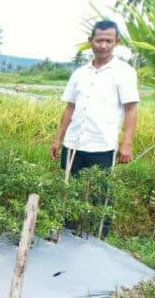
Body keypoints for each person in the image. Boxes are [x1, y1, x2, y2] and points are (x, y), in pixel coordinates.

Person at [50, 19, 139, 237]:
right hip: (73, 144)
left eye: (108, 41)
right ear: (91, 41)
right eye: (99, 40)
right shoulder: (79, 73)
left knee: (101, 197)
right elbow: (70, 108)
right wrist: (58, 139)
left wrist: (126, 143)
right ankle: (66, 236)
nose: (103, 45)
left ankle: (100, 240)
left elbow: (131, 110)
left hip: (102, 146)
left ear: (116, 42)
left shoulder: (124, 72)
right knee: (68, 192)